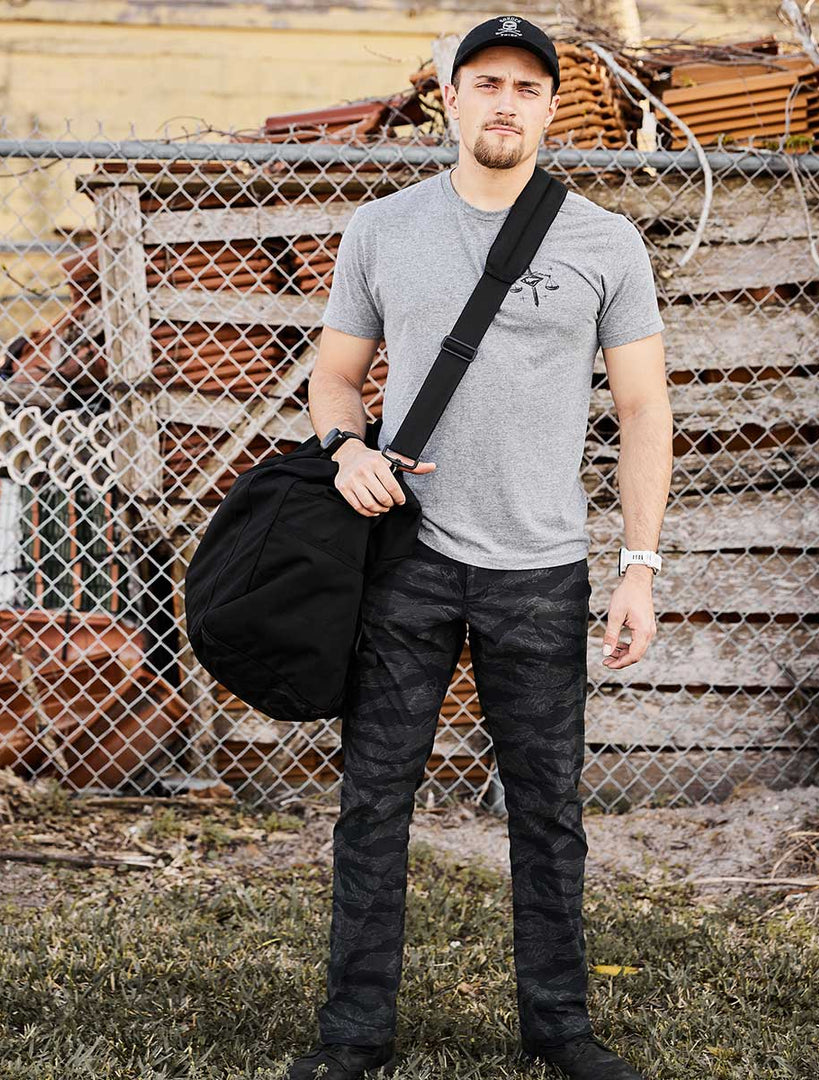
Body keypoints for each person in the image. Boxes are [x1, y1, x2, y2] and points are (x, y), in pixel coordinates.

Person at [292, 14, 670, 1080]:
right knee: (374, 802)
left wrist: (640, 568)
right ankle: (353, 1034)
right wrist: (344, 448)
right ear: (450, 99)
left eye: (527, 88)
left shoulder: (603, 241)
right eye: (487, 83)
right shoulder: (383, 229)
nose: (507, 102)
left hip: (541, 567)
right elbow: (334, 377)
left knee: (547, 811)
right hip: (407, 557)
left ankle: (562, 1029)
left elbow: (644, 410)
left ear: (550, 109)